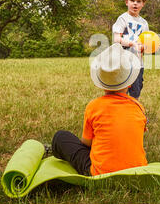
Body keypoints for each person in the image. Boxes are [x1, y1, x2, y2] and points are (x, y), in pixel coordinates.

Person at [50, 43, 148, 176]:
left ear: (101, 83)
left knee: (60, 137)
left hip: (100, 172)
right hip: (138, 170)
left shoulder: (93, 106)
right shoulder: (138, 106)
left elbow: (86, 143)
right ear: (130, 83)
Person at [112, 0, 149, 100]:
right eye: (132, 0)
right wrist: (131, 43)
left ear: (143, 4)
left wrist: (150, 46)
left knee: (136, 91)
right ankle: (121, 112)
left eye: (139, 1)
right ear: (126, 2)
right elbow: (117, 39)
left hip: (138, 63)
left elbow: (143, 45)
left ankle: (134, 114)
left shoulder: (144, 23)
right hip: (123, 62)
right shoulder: (123, 19)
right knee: (122, 90)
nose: (135, 4)